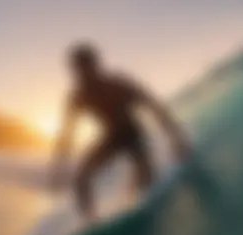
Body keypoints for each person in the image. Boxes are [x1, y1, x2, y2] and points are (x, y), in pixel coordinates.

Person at [51, 42, 191, 221]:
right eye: (77, 70)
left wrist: (177, 139)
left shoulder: (119, 84)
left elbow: (155, 107)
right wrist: (57, 166)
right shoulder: (77, 97)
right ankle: (91, 223)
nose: (82, 75)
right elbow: (67, 133)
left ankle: (146, 210)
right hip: (111, 137)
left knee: (146, 183)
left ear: (95, 65)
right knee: (80, 180)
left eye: (85, 68)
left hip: (133, 134)